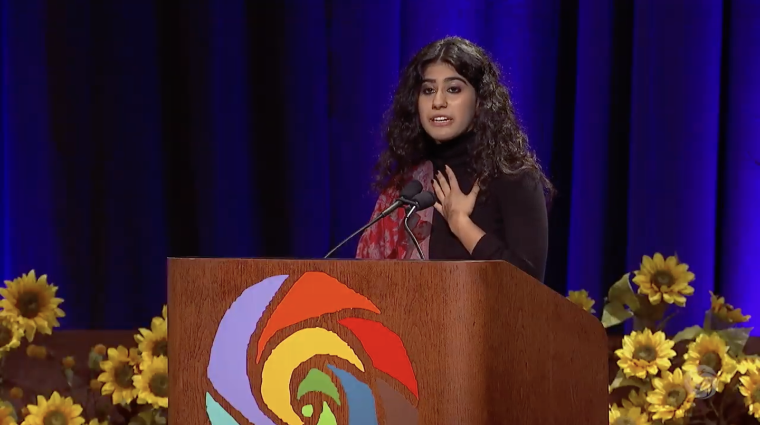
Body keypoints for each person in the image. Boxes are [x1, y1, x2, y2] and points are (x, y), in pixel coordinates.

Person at [355, 36, 552, 283]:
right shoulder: (407, 189)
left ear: (480, 102)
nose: (438, 102)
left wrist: (460, 223)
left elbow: (529, 286)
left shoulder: (514, 178)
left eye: (453, 89)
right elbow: (369, 284)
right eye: (428, 90)